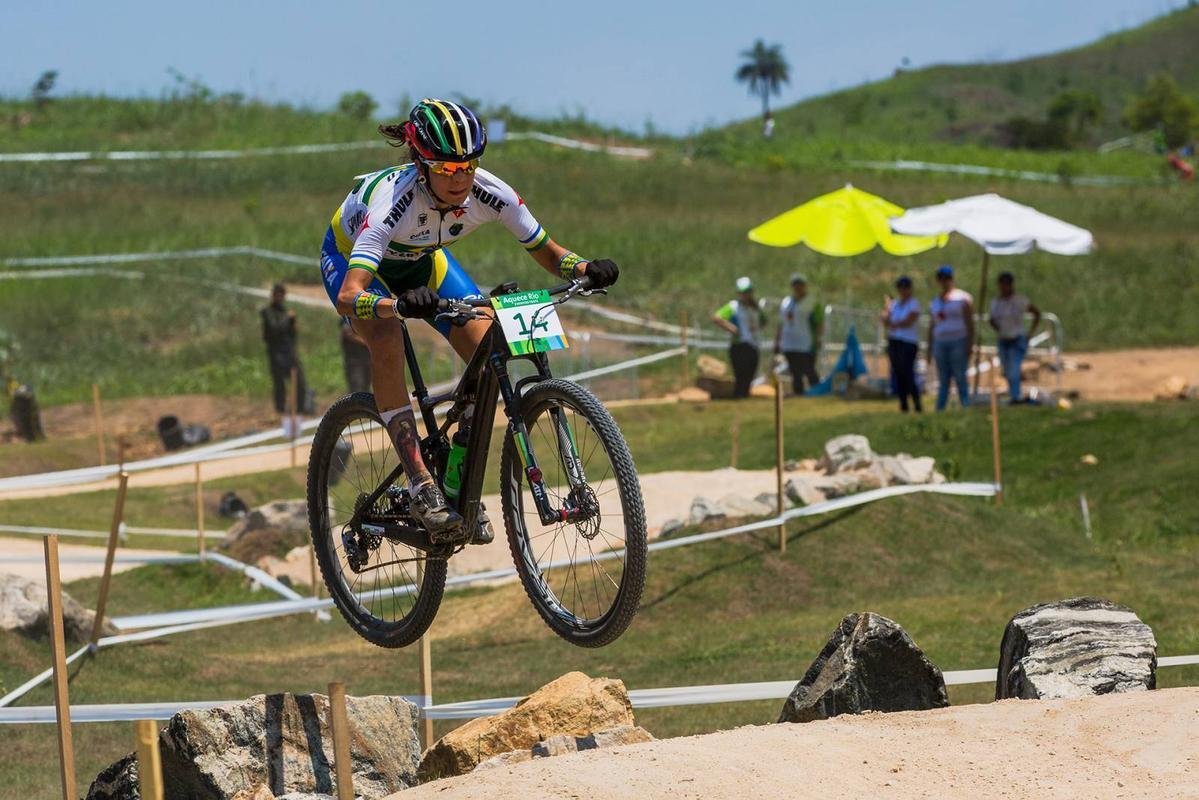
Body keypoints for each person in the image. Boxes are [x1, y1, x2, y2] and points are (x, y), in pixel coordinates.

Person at [319, 99, 620, 541]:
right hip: (357, 266)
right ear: (422, 165)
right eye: (446, 169)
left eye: (468, 166)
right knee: (387, 340)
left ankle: (456, 480)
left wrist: (583, 268)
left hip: (425, 262)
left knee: (486, 346)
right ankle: (421, 482)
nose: (460, 178)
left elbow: (548, 252)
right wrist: (397, 307)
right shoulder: (392, 203)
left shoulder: (490, 190)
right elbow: (350, 295)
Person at [260, 283, 311, 430]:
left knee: (299, 381)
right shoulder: (267, 312)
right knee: (279, 384)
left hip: (289, 352)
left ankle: (299, 409)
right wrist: (287, 319)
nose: (280, 297)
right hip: (276, 352)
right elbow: (274, 329)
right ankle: (280, 411)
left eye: (282, 294)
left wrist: (293, 323)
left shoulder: (285, 311)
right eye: (278, 294)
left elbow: (292, 333)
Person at [926, 265, 974, 411]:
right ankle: (940, 407)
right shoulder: (935, 301)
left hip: (958, 341)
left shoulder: (962, 298)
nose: (944, 281)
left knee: (960, 375)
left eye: (947, 278)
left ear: (952, 279)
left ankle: (965, 404)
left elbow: (969, 322)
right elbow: (932, 325)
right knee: (943, 378)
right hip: (940, 342)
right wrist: (929, 347)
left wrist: (969, 343)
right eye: (941, 279)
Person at [989, 271, 1041, 404]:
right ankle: (1014, 395)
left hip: (1017, 340)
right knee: (1006, 371)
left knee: (1013, 370)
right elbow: (992, 319)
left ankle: (1016, 397)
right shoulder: (996, 302)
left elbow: (1036, 313)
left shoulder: (1019, 300)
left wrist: (1029, 334)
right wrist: (1000, 329)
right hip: (1003, 340)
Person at [713, 276, 766, 399]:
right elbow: (717, 317)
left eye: (748, 291)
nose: (746, 294)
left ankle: (745, 397)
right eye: (743, 292)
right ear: (739, 293)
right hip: (739, 345)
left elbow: (763, 321)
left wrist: (756, 328)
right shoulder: (733, 306)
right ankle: (738, 397)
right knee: (741, 375)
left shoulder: (755, 308)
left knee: (750, 374)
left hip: (754, 344)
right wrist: (732, 328)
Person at [774, 273, 823, 395]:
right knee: (795, 371)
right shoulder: (786, 302)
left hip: (806, 343)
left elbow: (819, 323)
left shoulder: (812, 303)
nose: (798, 287)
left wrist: (818, 339)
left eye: (800, 285)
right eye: (795, 285)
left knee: (808, 369)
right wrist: (777, 341)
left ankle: (817, 390)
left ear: (804, 286)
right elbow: (781, 323)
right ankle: (798, 392)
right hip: (789, 343)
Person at [882, 275, 922, 413]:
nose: (903, 290)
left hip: (908, 342)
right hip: (895, 342)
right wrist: (887, 307)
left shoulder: (913, 303)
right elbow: (885, 321)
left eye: (906, 287)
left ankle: (917, 403)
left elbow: (909, 320)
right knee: (898, 373)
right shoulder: (894, 304)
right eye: (900, 287)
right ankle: (903, 404)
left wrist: (894, 324)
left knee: (908, 373)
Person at [339, 317, 372, 394]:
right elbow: (347, 333)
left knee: (365, 389)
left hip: (366, 361)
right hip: (355, 362)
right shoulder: (348, 324)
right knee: (357, 389)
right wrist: (368, 342)